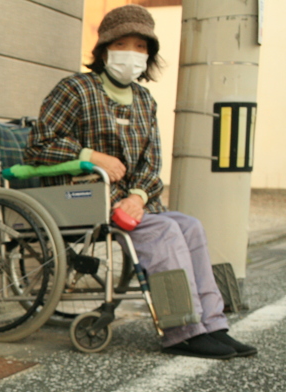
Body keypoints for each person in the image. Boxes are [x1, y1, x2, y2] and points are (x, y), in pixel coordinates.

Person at [23, 4, 256, 359]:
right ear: (104, 49)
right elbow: (38, 144)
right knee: (163, 233)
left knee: (189, 226)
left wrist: (138, 196)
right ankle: (183, 331)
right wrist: (89, 155)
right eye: (124, 44)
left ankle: (213, 325)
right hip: (82, 196)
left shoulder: (145, 100)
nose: (132, 54)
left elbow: (152, 161)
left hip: (128, 201)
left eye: (141, 47)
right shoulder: (75, 89)